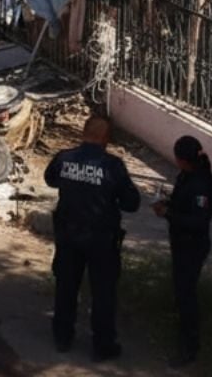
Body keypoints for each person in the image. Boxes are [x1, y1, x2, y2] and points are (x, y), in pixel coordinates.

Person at [44, 114, 141, 362]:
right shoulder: (112, 166)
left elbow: (50, 179)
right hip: (101, 241)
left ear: (83, 132)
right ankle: (103, 345)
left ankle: (62, 338)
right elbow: (132, 203)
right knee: (103, 293)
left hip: (68, 236)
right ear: (105, 138)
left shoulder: (64, 158)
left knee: (66, 287)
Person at [153, 135, 212, 369]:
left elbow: (198, 221)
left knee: (186, 296)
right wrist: (168, 203)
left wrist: (168, 214)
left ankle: (189, 347)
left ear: (183, 160)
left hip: (192, 246)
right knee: (181, 293)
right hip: (182, 243)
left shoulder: (202, 185)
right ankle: (183, 334)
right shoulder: (188, 176)